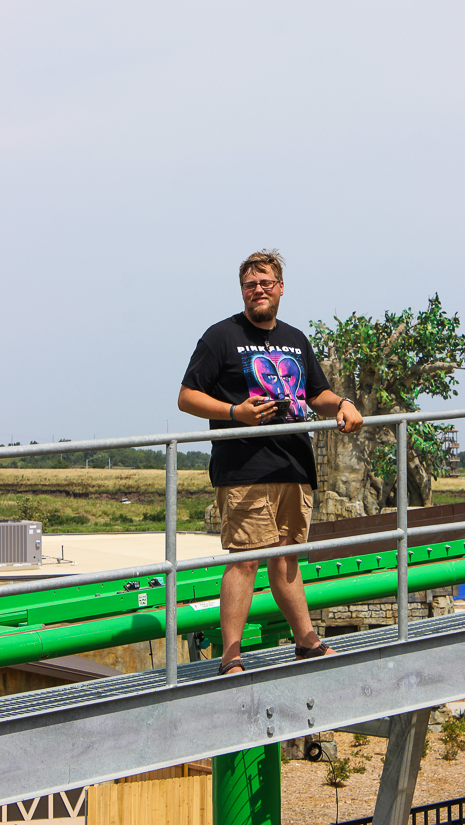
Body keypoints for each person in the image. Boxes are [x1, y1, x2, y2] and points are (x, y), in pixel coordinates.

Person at [178, 250, 363, 674]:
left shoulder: (296, 339)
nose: (257, 290)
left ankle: (306, 641)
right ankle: (231, 657)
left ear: (280, 287)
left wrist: (344, 404)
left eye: (265, 283)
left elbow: (315, 394)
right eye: (249, 285)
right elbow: (187, 396)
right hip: (243, 466)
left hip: (294, 465)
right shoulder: (220, 337)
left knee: (287, 556)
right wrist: (233, 413)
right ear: (242, 291)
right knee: (244, 559)